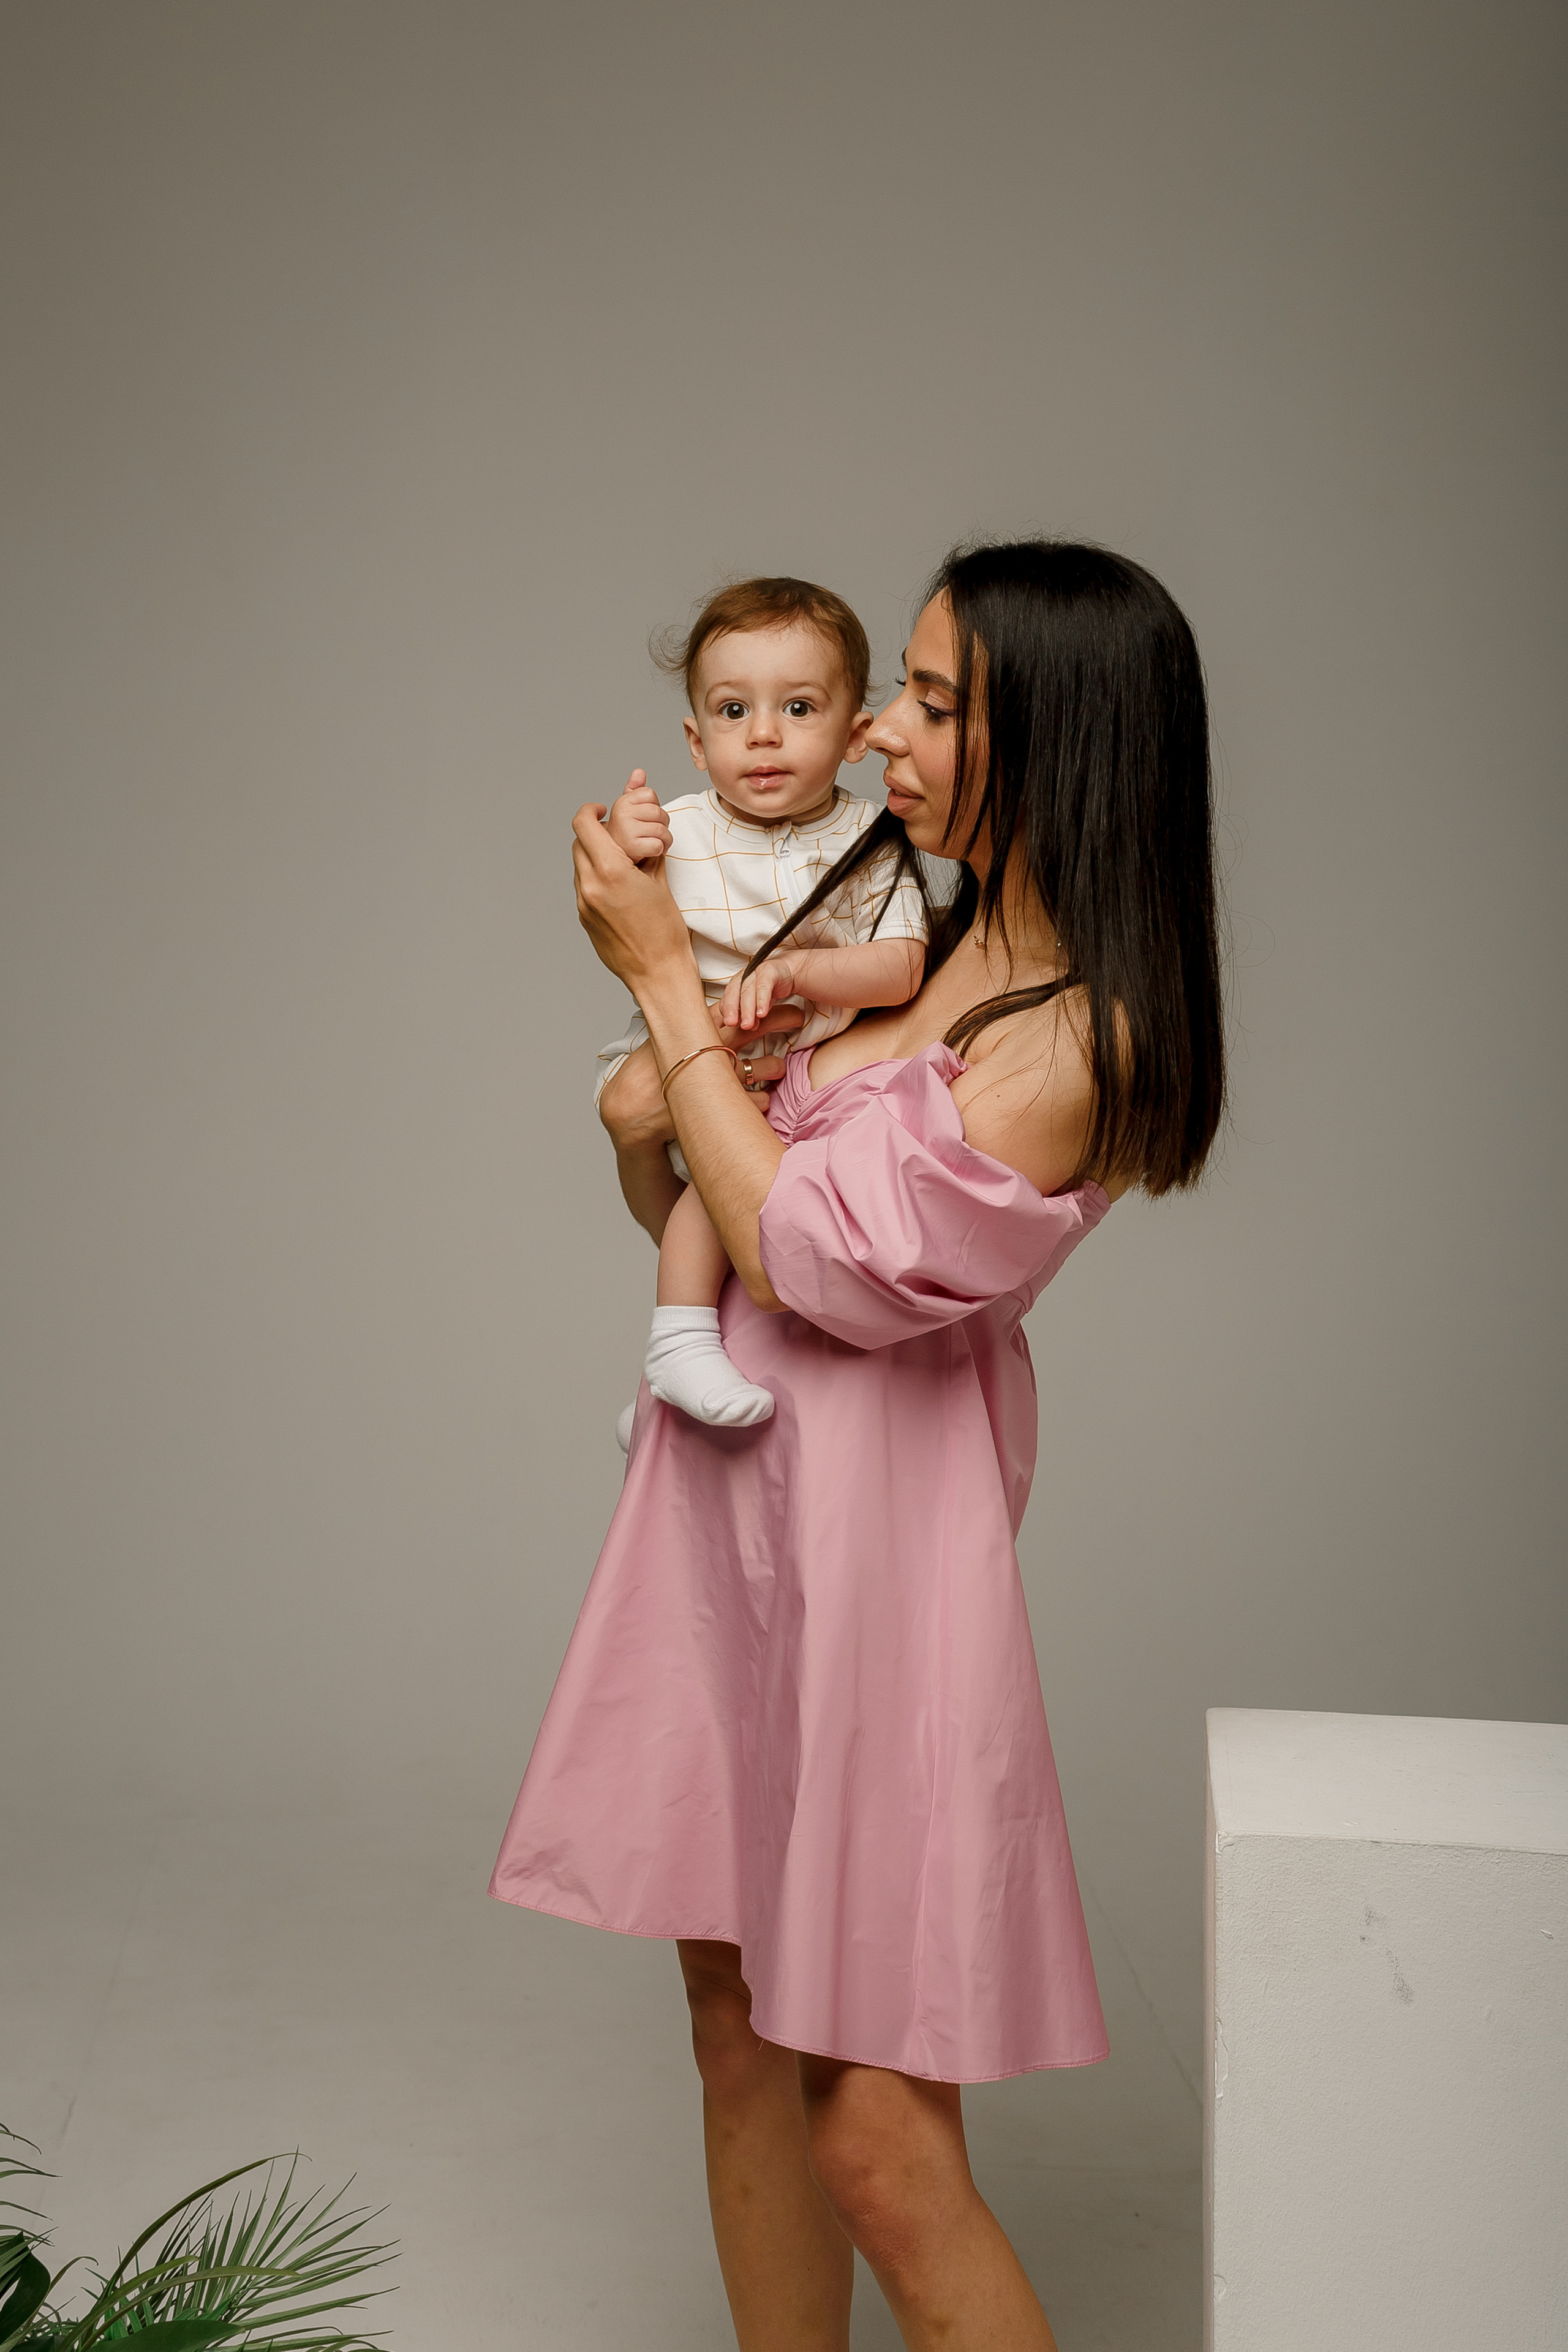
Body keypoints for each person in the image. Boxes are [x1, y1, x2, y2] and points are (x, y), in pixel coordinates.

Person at [492, 540, 1226, 2351]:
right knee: (737, 2034)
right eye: (893, 682)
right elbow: (712, 1203)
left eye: (936, 698)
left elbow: (816, 1265)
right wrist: (650, 1117)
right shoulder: (934, 926)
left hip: (883, 1563)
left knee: (878, 2141)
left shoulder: (1085, 1034)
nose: (881, 726)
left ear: (1060, 739)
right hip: (742, 1506)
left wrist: (664, 985)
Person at [598, 576, 929, 1439]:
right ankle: (676, 1342)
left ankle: (666, 1392)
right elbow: (618, 916)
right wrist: (629, 843)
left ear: (858, 734)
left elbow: (900, 968)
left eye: (800, 707)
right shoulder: (683, 830)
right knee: (726, 1166)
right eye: (733, 712)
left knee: (759, 1217)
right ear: (696, 741)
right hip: (690, 1063)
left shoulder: (875, 840)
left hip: (799, 1078)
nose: (765, 735)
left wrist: (801, 975)